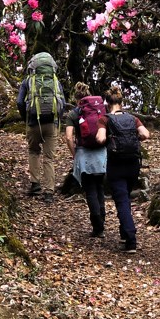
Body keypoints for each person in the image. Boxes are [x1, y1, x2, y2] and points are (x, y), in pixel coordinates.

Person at [96, 86, 150, 253]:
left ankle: (131, 238)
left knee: (122, 201)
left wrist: (107, 140)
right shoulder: (132, 118)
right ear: (121, 102)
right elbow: (146, 134)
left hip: (116, 164)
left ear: (107, 103)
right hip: (133, 164)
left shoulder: (104, 119)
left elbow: (100, 138)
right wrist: (134, 138)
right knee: (125, 197)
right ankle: (124, 233)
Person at [16, 51, 65, 202]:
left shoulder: (28, 81)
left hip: (33, 123)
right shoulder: (55, 81)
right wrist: (57, 119)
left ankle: (35, 185)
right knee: (49, 158)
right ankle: (49, 192)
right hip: (51, 123)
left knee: (34, 151)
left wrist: (26, 118)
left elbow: (19, 102)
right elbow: (62, 103)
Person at [63, 82, 107, 237]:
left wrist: (74, 154)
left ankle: (98, 227)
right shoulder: (100, 110)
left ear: (76, 98)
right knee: (100, 187)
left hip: (84, 155)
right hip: (101, 154)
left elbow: (69, 137)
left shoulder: (74, 114)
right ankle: (102, 219)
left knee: (90, 190)